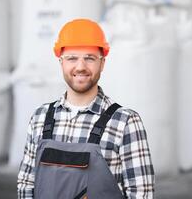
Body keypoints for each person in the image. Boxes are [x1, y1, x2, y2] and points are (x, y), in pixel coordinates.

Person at [17, 18, 155, 199]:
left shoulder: (126, 122)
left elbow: (141, 194)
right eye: (72, 58)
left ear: (102, 63)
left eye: (89, 58)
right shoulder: (40, 118)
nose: (80, 67)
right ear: (61, 62)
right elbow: (26, 185)